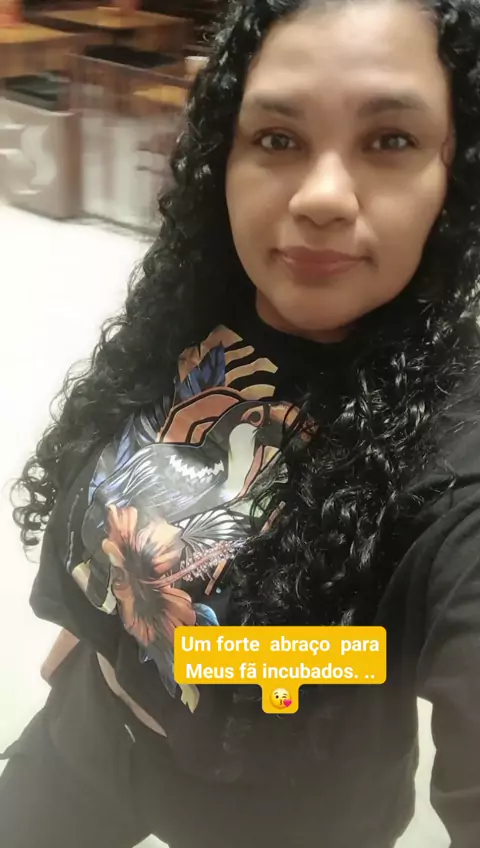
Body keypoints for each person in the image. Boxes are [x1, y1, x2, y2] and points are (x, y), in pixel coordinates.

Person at [1, 0, 480, 844]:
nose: (322, 195)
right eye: (279, 137)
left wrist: (185, 646)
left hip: (279, 812)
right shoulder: (201, 304)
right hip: (87, 733)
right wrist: (106, 627)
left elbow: (373, 651)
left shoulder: (454, 457)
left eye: (390, 140)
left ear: (454, 174)